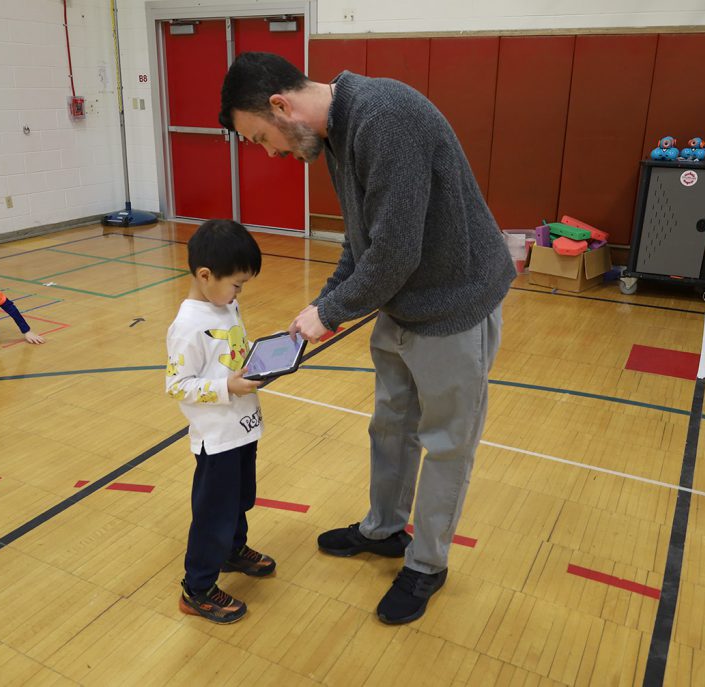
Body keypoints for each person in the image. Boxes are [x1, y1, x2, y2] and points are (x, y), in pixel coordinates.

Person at [220, 52, 515, 625]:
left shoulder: (385, 118)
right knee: (392, 425)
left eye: (260, 137)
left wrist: (329, 313)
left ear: (281, 107)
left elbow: (396, 252)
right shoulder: (335, 135)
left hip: (455, 306)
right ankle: (384, 530)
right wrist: (322, 302)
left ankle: (427, 564)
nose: (270, 153)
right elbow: (363, 241)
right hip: (402, 305)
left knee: (447, 443)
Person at [166, 219, 275, 624]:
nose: (238, 293)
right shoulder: (187, 326)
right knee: (214, 512)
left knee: (239, 498)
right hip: (216, 437)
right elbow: (178, 385)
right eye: (237, 284)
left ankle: (233, 548)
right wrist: (227, 387)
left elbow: (232, 353)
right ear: (205, 275)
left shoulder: (226, 305)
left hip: (242, 426)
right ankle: (197, 589)